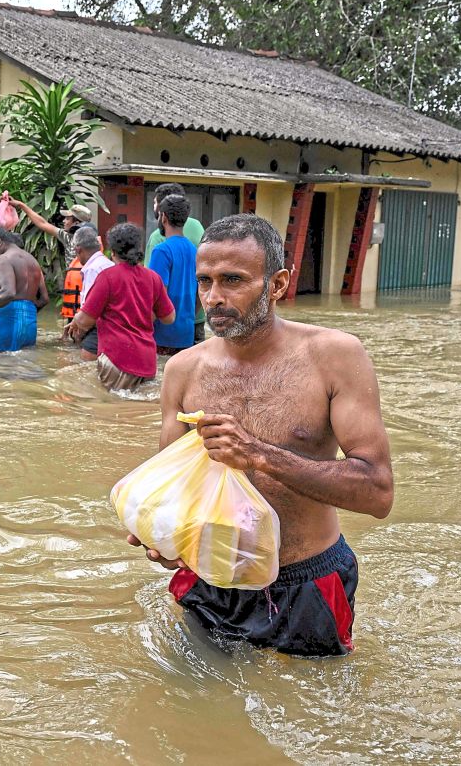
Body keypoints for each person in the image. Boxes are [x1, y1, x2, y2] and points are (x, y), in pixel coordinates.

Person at [128, 214, 394, 657]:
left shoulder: (335, 357)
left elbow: (378, 493)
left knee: (311, 700)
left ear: (278, 284)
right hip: (209, 578)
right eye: (205, 281)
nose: (213, 297)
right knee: (195, 694)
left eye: (233, 280)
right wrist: (159, 536)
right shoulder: (182, 370)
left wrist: (258, 455)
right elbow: (174, 489)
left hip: (306, 582)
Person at [66, 223, 175, 391]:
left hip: (117, 359)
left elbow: (85, 320)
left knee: (111, 405)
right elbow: (169, 318)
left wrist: (75, 321)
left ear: (113, 251)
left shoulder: (107, 277)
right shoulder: (153, 278)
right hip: (147, 361)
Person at [145, 183, 206, 342]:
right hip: (187, 330)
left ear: (163, 216)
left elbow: (156, 294)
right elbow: (201, 288)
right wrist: (189, 317)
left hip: (163, 334)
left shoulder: (161, 249)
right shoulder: (193, 249)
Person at [0, 226, 49, 352]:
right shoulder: (32, 260)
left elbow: (8, 292)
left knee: (0, 362)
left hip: (7, 319)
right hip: (30, 320)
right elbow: (44, 299)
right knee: (25, 361)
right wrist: (25, 313)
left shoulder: (3, 259)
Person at [63, 225, 113, 361]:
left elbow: (91, 306)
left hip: (98, 327)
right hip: (112, 326)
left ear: (78, 250)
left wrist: (80, 327)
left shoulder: (92, 269)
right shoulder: (108, 263)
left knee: (85, 363)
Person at [16, 197, 93, 269]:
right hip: (72, 277)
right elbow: (42, 223)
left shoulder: (92, 242)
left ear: (76, 223)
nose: (64, 221)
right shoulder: (66, 236)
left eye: (67, 219)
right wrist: (21, 205)